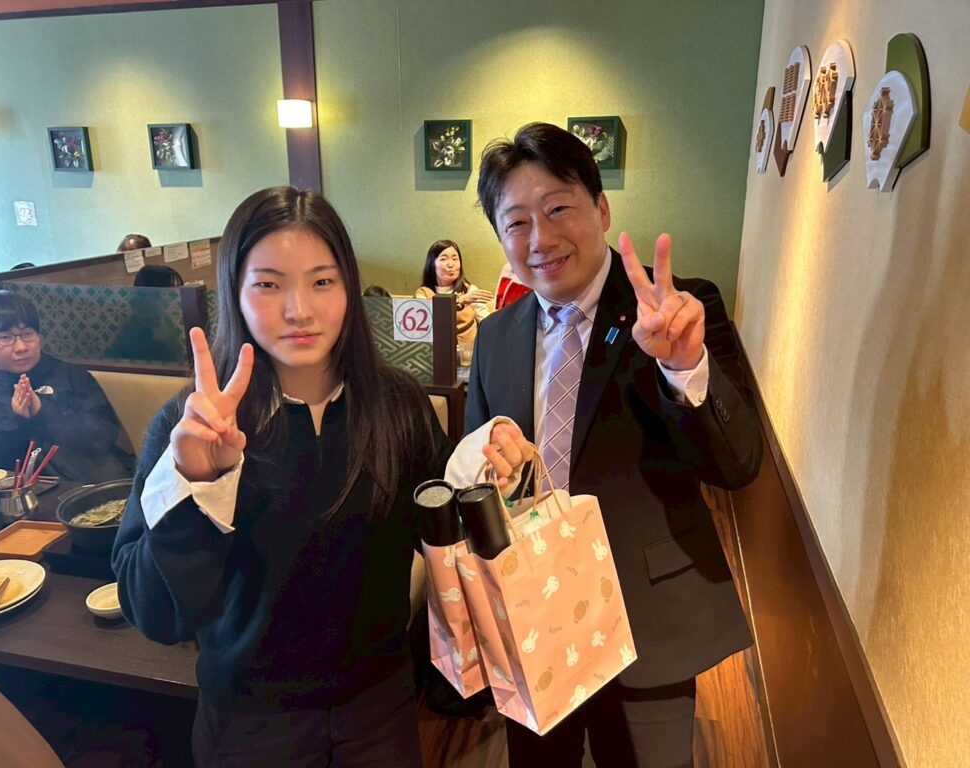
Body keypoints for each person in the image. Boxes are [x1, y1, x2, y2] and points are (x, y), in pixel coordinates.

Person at [111, 186, 523, 766]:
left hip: (379, 710)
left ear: (348, 289)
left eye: (322, 281)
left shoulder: (397, 405)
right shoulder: (193, 425)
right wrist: (195, 483)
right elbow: (156, 614)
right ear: (235, 292)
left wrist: (488, 470)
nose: (299, 310)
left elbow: (445, 538)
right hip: (250, 722)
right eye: (268, 284)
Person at [452, 122, 763, 768]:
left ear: (600, 209)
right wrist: (486, 470)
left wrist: (683, 366)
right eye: (516, 223)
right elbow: (479, 474)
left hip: (644, 619)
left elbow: (739, 464)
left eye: (557, 209)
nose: (540, 240)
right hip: (535, 625)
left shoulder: (673, 310)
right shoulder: (496, 337)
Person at [0, 290, 135, 483]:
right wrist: (14, 421)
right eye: (5, 338)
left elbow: (104, 436)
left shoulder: (70, 374)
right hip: (15, 495)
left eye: (28, 334)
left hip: (93, 484)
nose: (21, 347)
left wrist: (43, 412)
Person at [414, 240, 493, 352]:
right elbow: (427, 322)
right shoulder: (424, 293)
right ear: (432, 264)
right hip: (437, 353)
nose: (451, 264)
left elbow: (485, 321)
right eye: (443, 259)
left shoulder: (469, 290)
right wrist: (459, 301)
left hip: (468, 355)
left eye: (455, 259)